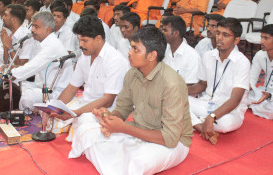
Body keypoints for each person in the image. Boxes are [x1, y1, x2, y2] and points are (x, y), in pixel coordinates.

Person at [67, 27, 193, 175]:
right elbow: (122, 108)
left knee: (138, 162)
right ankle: (120, 159)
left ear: (152, 56)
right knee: (85, 131)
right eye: (131, 48)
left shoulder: (171, 84)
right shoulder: (132, 74)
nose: (129, 52)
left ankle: (121, 159)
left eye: (135, 49)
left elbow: (170, 138)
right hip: (139, 129)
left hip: (173, 143)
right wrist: (108, 117)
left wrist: (123, 128)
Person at [0, 12, 74, 112]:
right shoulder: (45, 42)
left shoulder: (51, 47)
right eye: (33, 26)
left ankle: (38, 110)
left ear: (48, 30)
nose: (32, 30)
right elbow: (31, 66)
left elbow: (29, 68)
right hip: (42, 86)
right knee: (20, 87)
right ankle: (39, 107)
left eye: (36, 27)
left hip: (57, 92)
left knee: (26, 98)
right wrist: (15, 68)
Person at [49, 15, 129, 134]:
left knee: (81, 123)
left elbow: (108, 100)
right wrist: (57, 108)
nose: (80, 45)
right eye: (79, 40)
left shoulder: (115, 60)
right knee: (53, 118)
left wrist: (76, 113)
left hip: (106, 110)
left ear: (98, 39)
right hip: (85, 103)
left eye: (84, 41)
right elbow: (72, 87)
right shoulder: (84, 56)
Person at [188, 18, 250, 145]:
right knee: (174, 101)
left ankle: (197, 121)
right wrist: (179, 90)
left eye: (225, 35)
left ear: (236, 40)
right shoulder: (208, 56)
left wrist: (212, 117)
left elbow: (235, 100)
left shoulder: (242, 62)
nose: (219, 38)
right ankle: (201, 126)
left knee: (225, 124)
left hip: (229, 111)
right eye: (218, 33)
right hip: (206, 103)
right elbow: (201, 85)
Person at [161, 16, 201, 85]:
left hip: (183, 94)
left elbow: (191, 85)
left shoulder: (192, 56)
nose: (162, 33)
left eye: (165, 30)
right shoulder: (163, 49)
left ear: (176, 33)